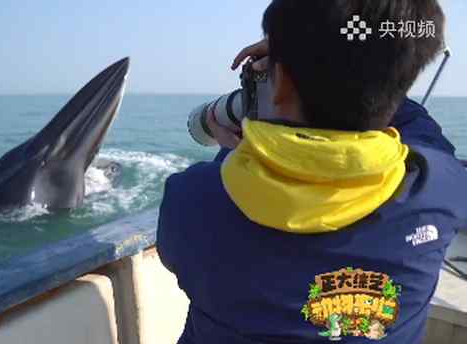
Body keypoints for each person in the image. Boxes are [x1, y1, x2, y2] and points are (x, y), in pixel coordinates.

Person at [157, 1, 467, 343]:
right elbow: (421, 128)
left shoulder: (190, 199)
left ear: (282, 83)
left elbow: (229, 190)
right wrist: (369, 68)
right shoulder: (440, 189)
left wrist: (251, 135)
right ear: (403, 79)